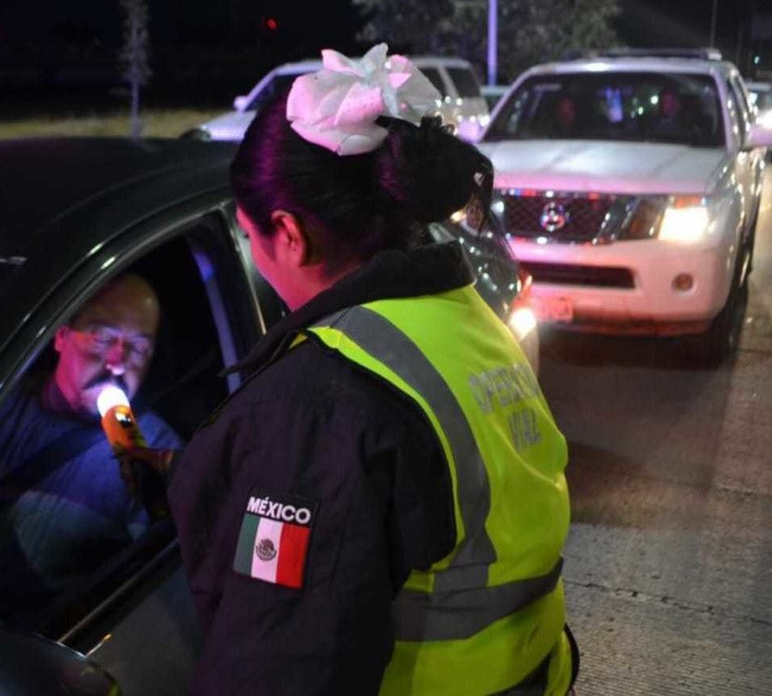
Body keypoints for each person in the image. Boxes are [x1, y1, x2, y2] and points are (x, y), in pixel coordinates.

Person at [124, 44, 576, 694]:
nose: (254, 252)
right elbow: (398, 492)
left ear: (289, 232)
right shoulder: (461, 319)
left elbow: (282, 670)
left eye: (249, 238)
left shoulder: (322, 403)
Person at [0, 273, 184, 628]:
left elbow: (164, 585)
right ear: (61, 336)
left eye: (138, 348)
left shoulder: (159, 450)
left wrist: (154, 493)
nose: (118, 361)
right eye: (103, 337)